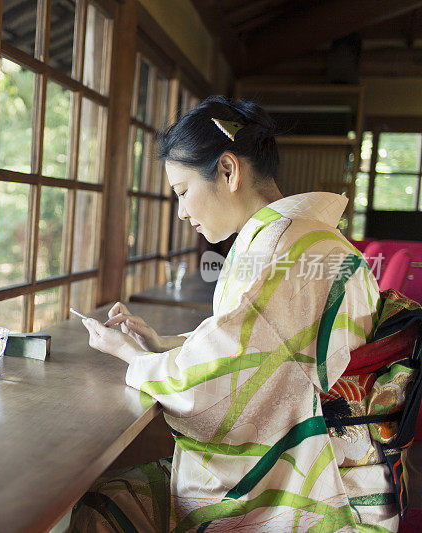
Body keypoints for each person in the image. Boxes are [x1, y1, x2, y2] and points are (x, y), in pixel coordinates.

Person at [70, 96, 398, 532]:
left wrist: (130, 357)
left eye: (184, 192)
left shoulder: (287, 251)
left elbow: (219, 381)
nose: (183, 211)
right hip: (345, 465)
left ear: (228, 170)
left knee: (105, 504)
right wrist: (162, 344)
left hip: (323, 489)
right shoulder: (301, 239)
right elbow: (260, 347)